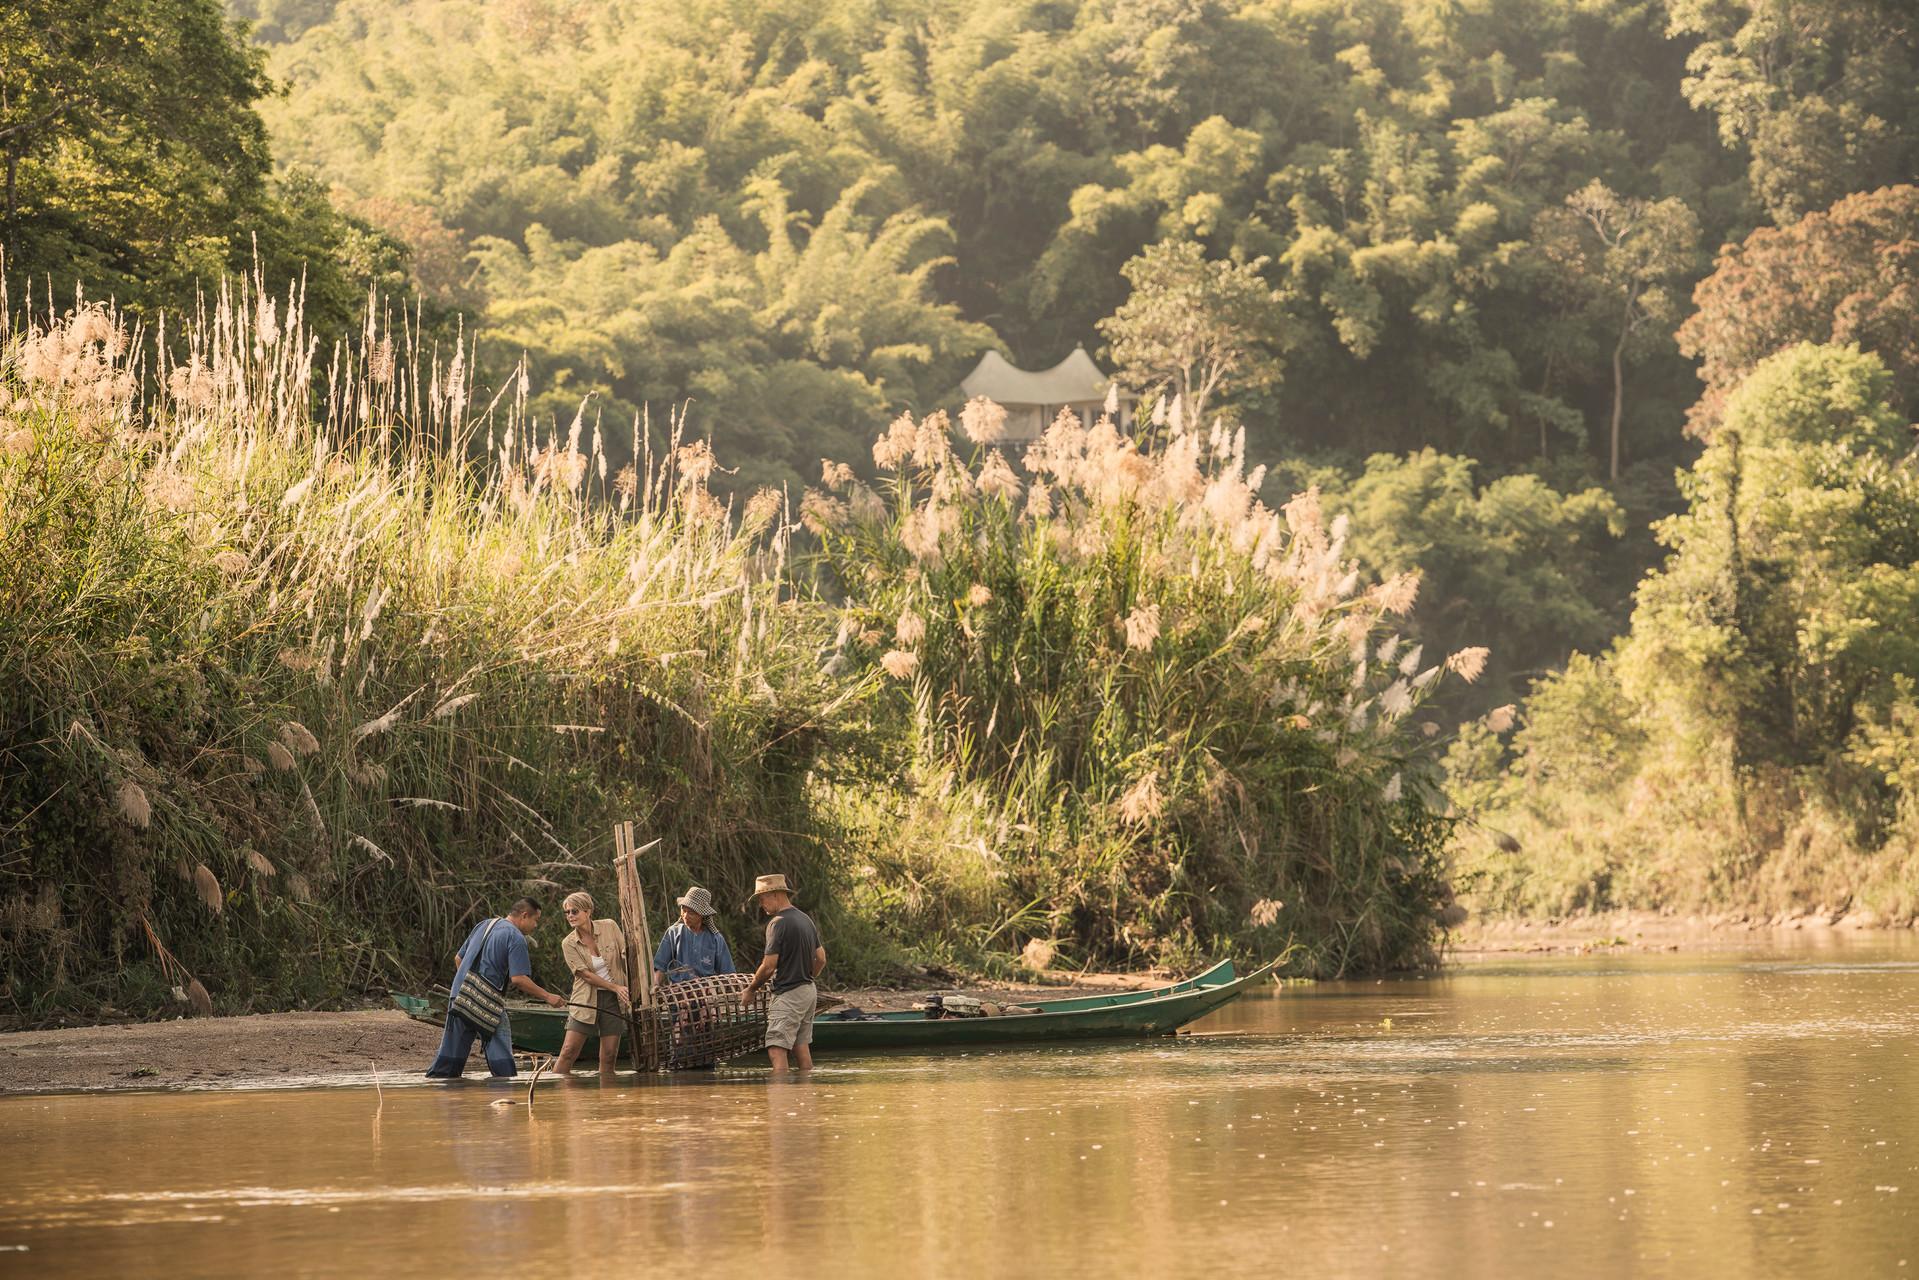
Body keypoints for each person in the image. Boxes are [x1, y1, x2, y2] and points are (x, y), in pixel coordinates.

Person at [425, 898, 564, 1079]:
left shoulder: (485, 925)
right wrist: (548, 996)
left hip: (459, 996)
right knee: (502, 1064)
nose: (535, 925)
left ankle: (442, 1094)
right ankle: (504, 1096)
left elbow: (459, 959)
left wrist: (471, 988)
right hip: (487, 1004)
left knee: (448, 1060)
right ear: (524, 916)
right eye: (535, 920)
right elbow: (519, 979)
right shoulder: (516, 937)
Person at [738, 874, 826, 1073]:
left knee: (777, 1049)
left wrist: (751, 989)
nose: (761, 905)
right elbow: (821, 958)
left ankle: (781, 1099)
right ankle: (806, 1094)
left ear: (776, 894)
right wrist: (807, 976)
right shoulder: (806, 920)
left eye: (762, 899)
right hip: (808, 991)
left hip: (789, 993)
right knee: (800, 1046)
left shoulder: (778, 923)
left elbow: (769, 966)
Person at [553, 892, 631, 1078]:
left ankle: (606, 1100)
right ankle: (557, 1093)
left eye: (574, 911)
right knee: (568, 1051)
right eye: (567, 912)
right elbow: (586, 975)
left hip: (614, 1001)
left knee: (610, 1055)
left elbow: (626, 953)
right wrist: (616, 988)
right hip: (586, 999)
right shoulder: (568, 943)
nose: (570, 916)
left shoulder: (610, 926)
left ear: (588, 911)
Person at [652, 885, 736, 988]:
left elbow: (728, 973)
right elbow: (660, 966)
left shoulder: (716, 939)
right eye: (684, 910)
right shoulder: (673, 933)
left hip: (706, 996)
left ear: (702, 915)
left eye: (691, 912)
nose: (685, 916)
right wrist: (655, 984)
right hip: (678, 994)